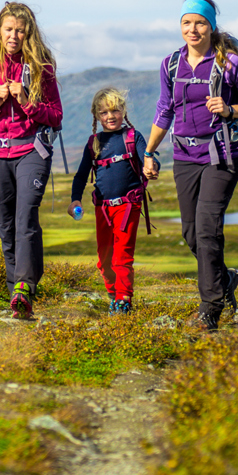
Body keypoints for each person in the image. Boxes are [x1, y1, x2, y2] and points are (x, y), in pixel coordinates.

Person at [143, 0, 238, 331]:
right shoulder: (171, 64)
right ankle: (224, 279)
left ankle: (209, 309)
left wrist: (229, 110)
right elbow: (164, 110)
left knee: (208, 229)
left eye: (200, 23)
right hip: (183, 157)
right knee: (191, 233)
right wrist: (149, 152)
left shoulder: (229, 63)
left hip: (222, 154)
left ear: (211, 27)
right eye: (186, 22)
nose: (193, 29)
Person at [0, 1, 63, 319]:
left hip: (31, 152)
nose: (14, 35)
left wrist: (26, 102)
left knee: (25, 219)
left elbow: (56, 116)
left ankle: (24, 288)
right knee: (5, 223)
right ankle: (17, 296)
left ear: (29, 33)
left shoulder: (42, 66)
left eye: (20, 30)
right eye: (9, 29)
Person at [67, 87, 157, 313]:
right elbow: (80, 175)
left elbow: (149, 159)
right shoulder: (93, 143)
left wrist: (151, 167)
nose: (110, 116)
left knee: (122, 256)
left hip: (129, 205)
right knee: (104, 261)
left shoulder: (133, 136)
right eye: (104, 112)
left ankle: (124, 299)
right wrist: (75, 200)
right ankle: (113, 294)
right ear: (97, 116)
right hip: (103, 209)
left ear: (123, 111)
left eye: (115, 110)